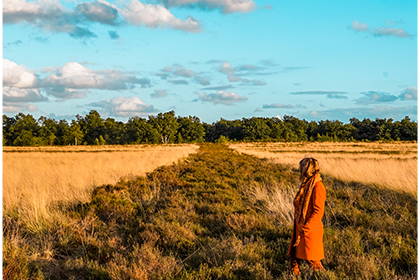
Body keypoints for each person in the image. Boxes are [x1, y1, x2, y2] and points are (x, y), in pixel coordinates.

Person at [287, 157, 326, 276]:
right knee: (294, 257)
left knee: (314, 262)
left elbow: (318, 212)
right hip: (300, 227)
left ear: (306, 170)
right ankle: (294, 276)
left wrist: (306, 228)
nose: (299, 171)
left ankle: (323, 277)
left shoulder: (318, 186)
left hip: (309, 230)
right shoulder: (306, 184)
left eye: (301, 168)